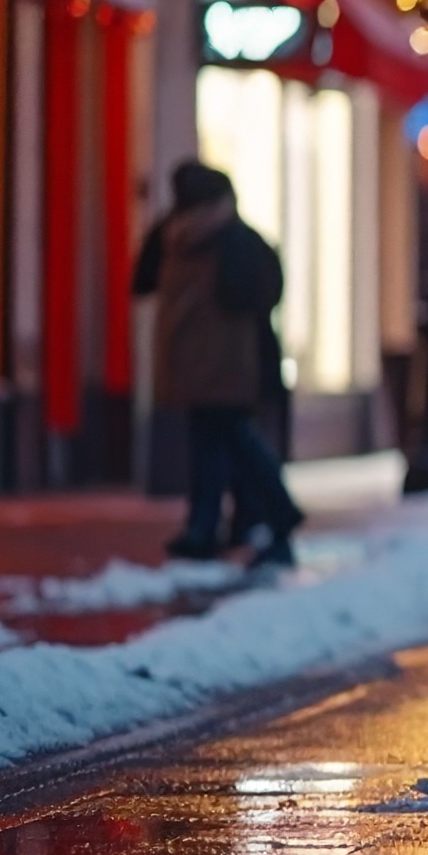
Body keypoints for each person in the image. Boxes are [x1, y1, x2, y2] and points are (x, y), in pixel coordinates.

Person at [132, 161, 304, 566]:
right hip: (233, 364)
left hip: (188, 359)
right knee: (231, 438)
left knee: (214, 441)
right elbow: (265, 294)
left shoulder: (171, 235)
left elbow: (140, 280)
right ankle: (262, 515)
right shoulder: (237, 238)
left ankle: (217, 523)